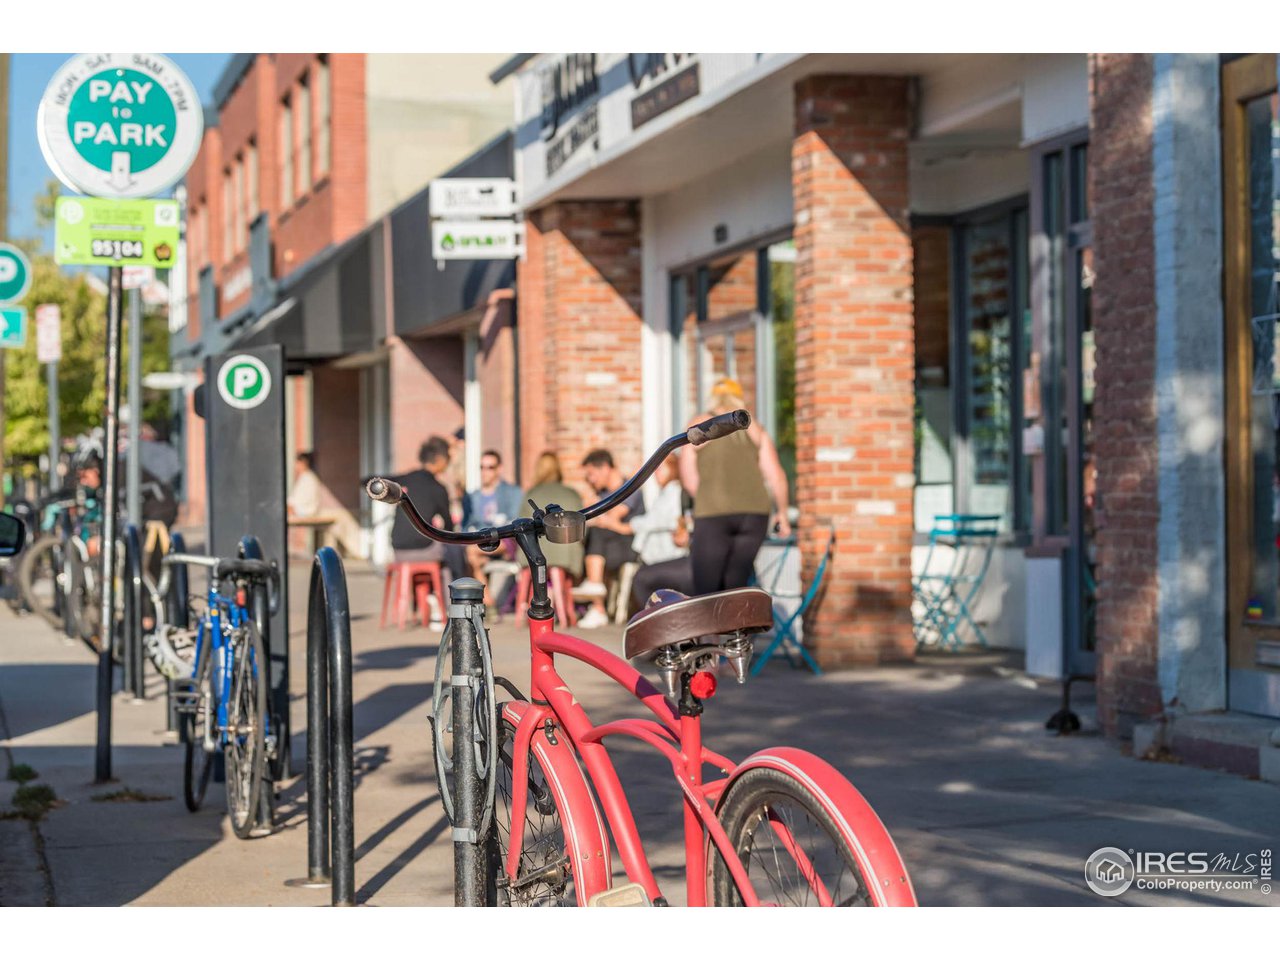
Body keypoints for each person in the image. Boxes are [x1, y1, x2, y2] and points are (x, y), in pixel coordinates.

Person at [679, 377, 790, 595]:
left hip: (714, 512)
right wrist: (783, 514)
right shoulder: (754, 428)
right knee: (735, 585)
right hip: (755, 514)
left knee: (706, 588)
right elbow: (776, 476)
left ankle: (712, 629)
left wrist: (705, 497)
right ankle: (733, 628)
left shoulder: (701, 425)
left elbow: (689, 479)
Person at [576, 448, 645, 628]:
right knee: (589, 536)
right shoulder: (602, 494)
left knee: (595, 534)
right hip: (608, 546)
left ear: (605, 468)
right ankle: (596, 597)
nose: (589, 480)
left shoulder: (630, 488)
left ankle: (595, 600)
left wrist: (598, 518)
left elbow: (612, 517)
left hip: (631, 547)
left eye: (591, 474)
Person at [627, 455, 695, 608]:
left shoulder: (674, 491)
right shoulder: (667, 492)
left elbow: (654, 521)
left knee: (641, 580)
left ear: (672, 468)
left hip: (668, 554)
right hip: (663, 554)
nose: (655, 473)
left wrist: (623, 524)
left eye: (660, 468)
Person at [461, 450, 524, 613]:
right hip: (482, 542)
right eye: (482, 467)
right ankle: (489, 601)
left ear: (499, 469)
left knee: (471, 553)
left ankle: (487, 603)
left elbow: (516, 521)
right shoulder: (473, 496)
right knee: (473, 556)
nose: (485, 472)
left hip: (505, 540)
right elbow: (466, 525)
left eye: (490, 467)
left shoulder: (512, 492)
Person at [518, 451, 584, 582]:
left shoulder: (532, 493)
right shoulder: (572, 494)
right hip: (566, 557)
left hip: (535, 556)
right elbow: (581, 529)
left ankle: (522, 603)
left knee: (527, 585)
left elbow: (521, 528)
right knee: (563, 595)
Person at [288, 451, 322, 518]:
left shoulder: (308, 478)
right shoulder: (305, 477)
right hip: (303, 509)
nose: (295, 465)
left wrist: (291, 507)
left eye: (297, 462)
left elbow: (300, 500)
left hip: (306, 511)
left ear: (303, 463)